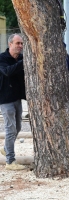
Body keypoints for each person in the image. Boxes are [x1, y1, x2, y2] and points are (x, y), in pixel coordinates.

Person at [0, 33, 26, 170]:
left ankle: (6, 148)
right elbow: (7, 72)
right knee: (10, 129)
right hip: (5, 99)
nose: (20, 46)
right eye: (18, 43)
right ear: (10, 44)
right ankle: (10, 161)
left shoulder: (21, 58)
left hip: (17, 98)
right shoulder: (2, 58)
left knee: (18, 127)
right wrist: (23, 62)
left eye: (21, 43)